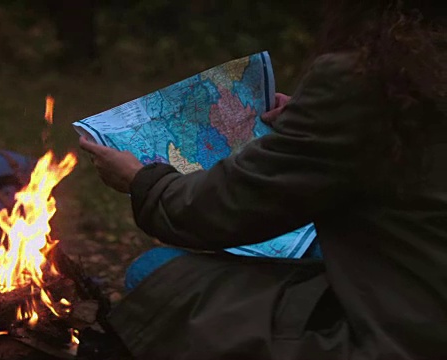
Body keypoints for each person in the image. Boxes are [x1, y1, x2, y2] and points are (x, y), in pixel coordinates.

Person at [79, 0, 447, 359]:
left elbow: (219, 208)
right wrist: (308, 126)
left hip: (402, 336)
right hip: (419, 296)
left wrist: (142, 181)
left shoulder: (370, 80)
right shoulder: (418, 81)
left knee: (153, 272)